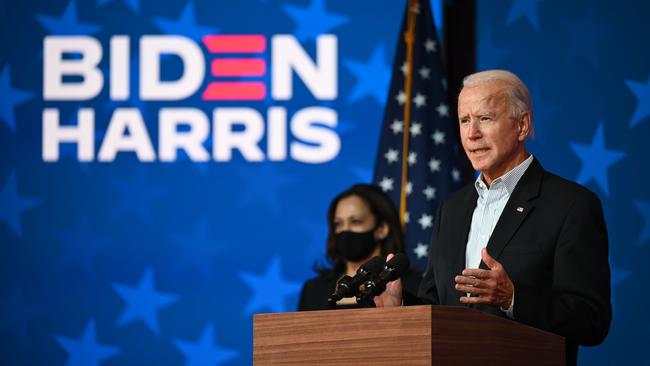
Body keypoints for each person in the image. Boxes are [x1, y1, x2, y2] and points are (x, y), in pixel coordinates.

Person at [375, 70, 611, 365]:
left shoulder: (570, 205)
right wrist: (400, 306)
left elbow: (592, 320)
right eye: (464, 121)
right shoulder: (452, 209)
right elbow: (437, 307)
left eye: (485, 118)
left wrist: (512, 298)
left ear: (522, 125)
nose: (472, 133)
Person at [298, 183, 421, 311]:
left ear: (382, 229)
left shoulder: (413, 284)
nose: (345, 230)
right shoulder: (314, 289)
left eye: (355, 221)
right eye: (338, 224)